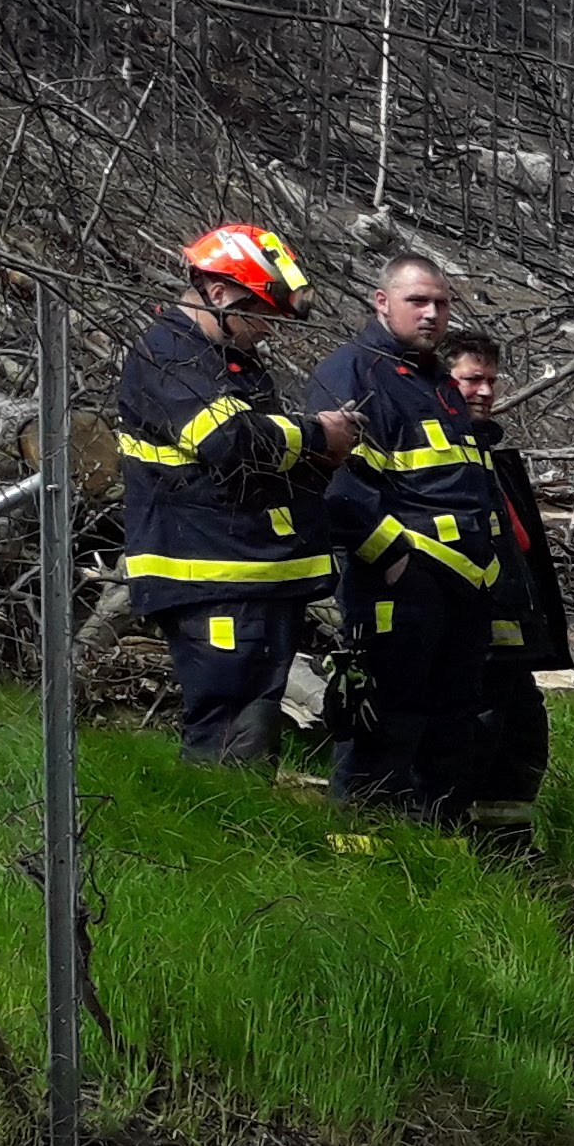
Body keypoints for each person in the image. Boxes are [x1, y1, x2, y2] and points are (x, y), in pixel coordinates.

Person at [113, 224, 358, 766]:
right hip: (210, 574)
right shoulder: (169, 354)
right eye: (262, 314)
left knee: (251, 724)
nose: (268, 331)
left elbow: (263, 453)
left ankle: (237, 835)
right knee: (228, 730)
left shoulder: (226, 362)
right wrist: (317, 433)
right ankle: (212, 841)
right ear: (219, 294)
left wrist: (313, 454)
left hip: (248, 572)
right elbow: (229, 440)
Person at [307, 254, 501, 820]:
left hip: (464, 588)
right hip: (401, 585)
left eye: (441, 303)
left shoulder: (439, 384)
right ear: (381, 302)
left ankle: (432, 852)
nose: (432, 313)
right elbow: (333, 481)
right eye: (418, 301)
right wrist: (392, 558)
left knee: (451, 726)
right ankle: (360, 858)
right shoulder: (353, 371)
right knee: (382, 720)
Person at [440, 330, 566, 842]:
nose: (485, 391)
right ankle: (446, 841)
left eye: (491, 380)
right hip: (465, 630)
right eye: (472, 379)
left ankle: (506, 850)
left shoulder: (491, 453)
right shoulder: (435, 452)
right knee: (474, 735)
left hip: (512, 633)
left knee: (522, 738)